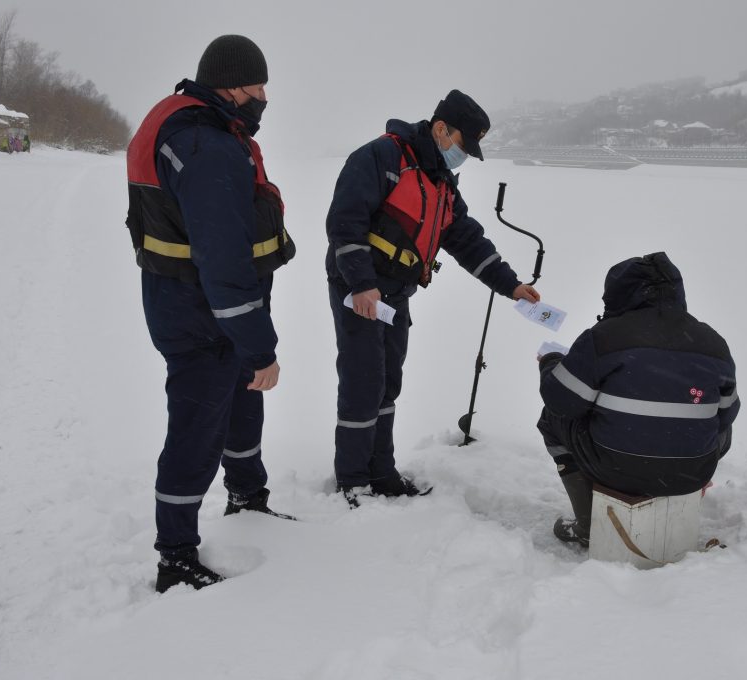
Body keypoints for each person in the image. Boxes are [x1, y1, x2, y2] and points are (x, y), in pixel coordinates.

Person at [125, 35, 296, 592]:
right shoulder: (206, 146)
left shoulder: (198, 127)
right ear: (229, 84)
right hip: (202, 315)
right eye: (257, 85)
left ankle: (247, 497)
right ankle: (175, 555)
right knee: (196, 430)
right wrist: (260, 346)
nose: (264, 96)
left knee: (242, 407)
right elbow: (222, 259)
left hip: (202, 308)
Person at [325, 89, 540, 507]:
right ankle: (352, 480)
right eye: (462, 145)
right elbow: (344, 225)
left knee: (388, 382)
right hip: (359, 289)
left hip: (396, 294)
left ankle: (381, 471)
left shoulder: (441, 181)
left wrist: (510, 284)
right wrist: (361, 285)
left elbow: (466, 239)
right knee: (363, 382)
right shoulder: (379, 158)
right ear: (441, 129)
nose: (463, 155)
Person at [536, 252, 739, 547]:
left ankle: (588, 525)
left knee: (551, 419)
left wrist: (551, 361)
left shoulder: (603, 338)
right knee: (719, 422)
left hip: (617, 470)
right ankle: (679, 490)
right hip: (692, 471)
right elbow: (727, 415)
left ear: (617, 295)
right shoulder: (713, 343)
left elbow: (561, 402)